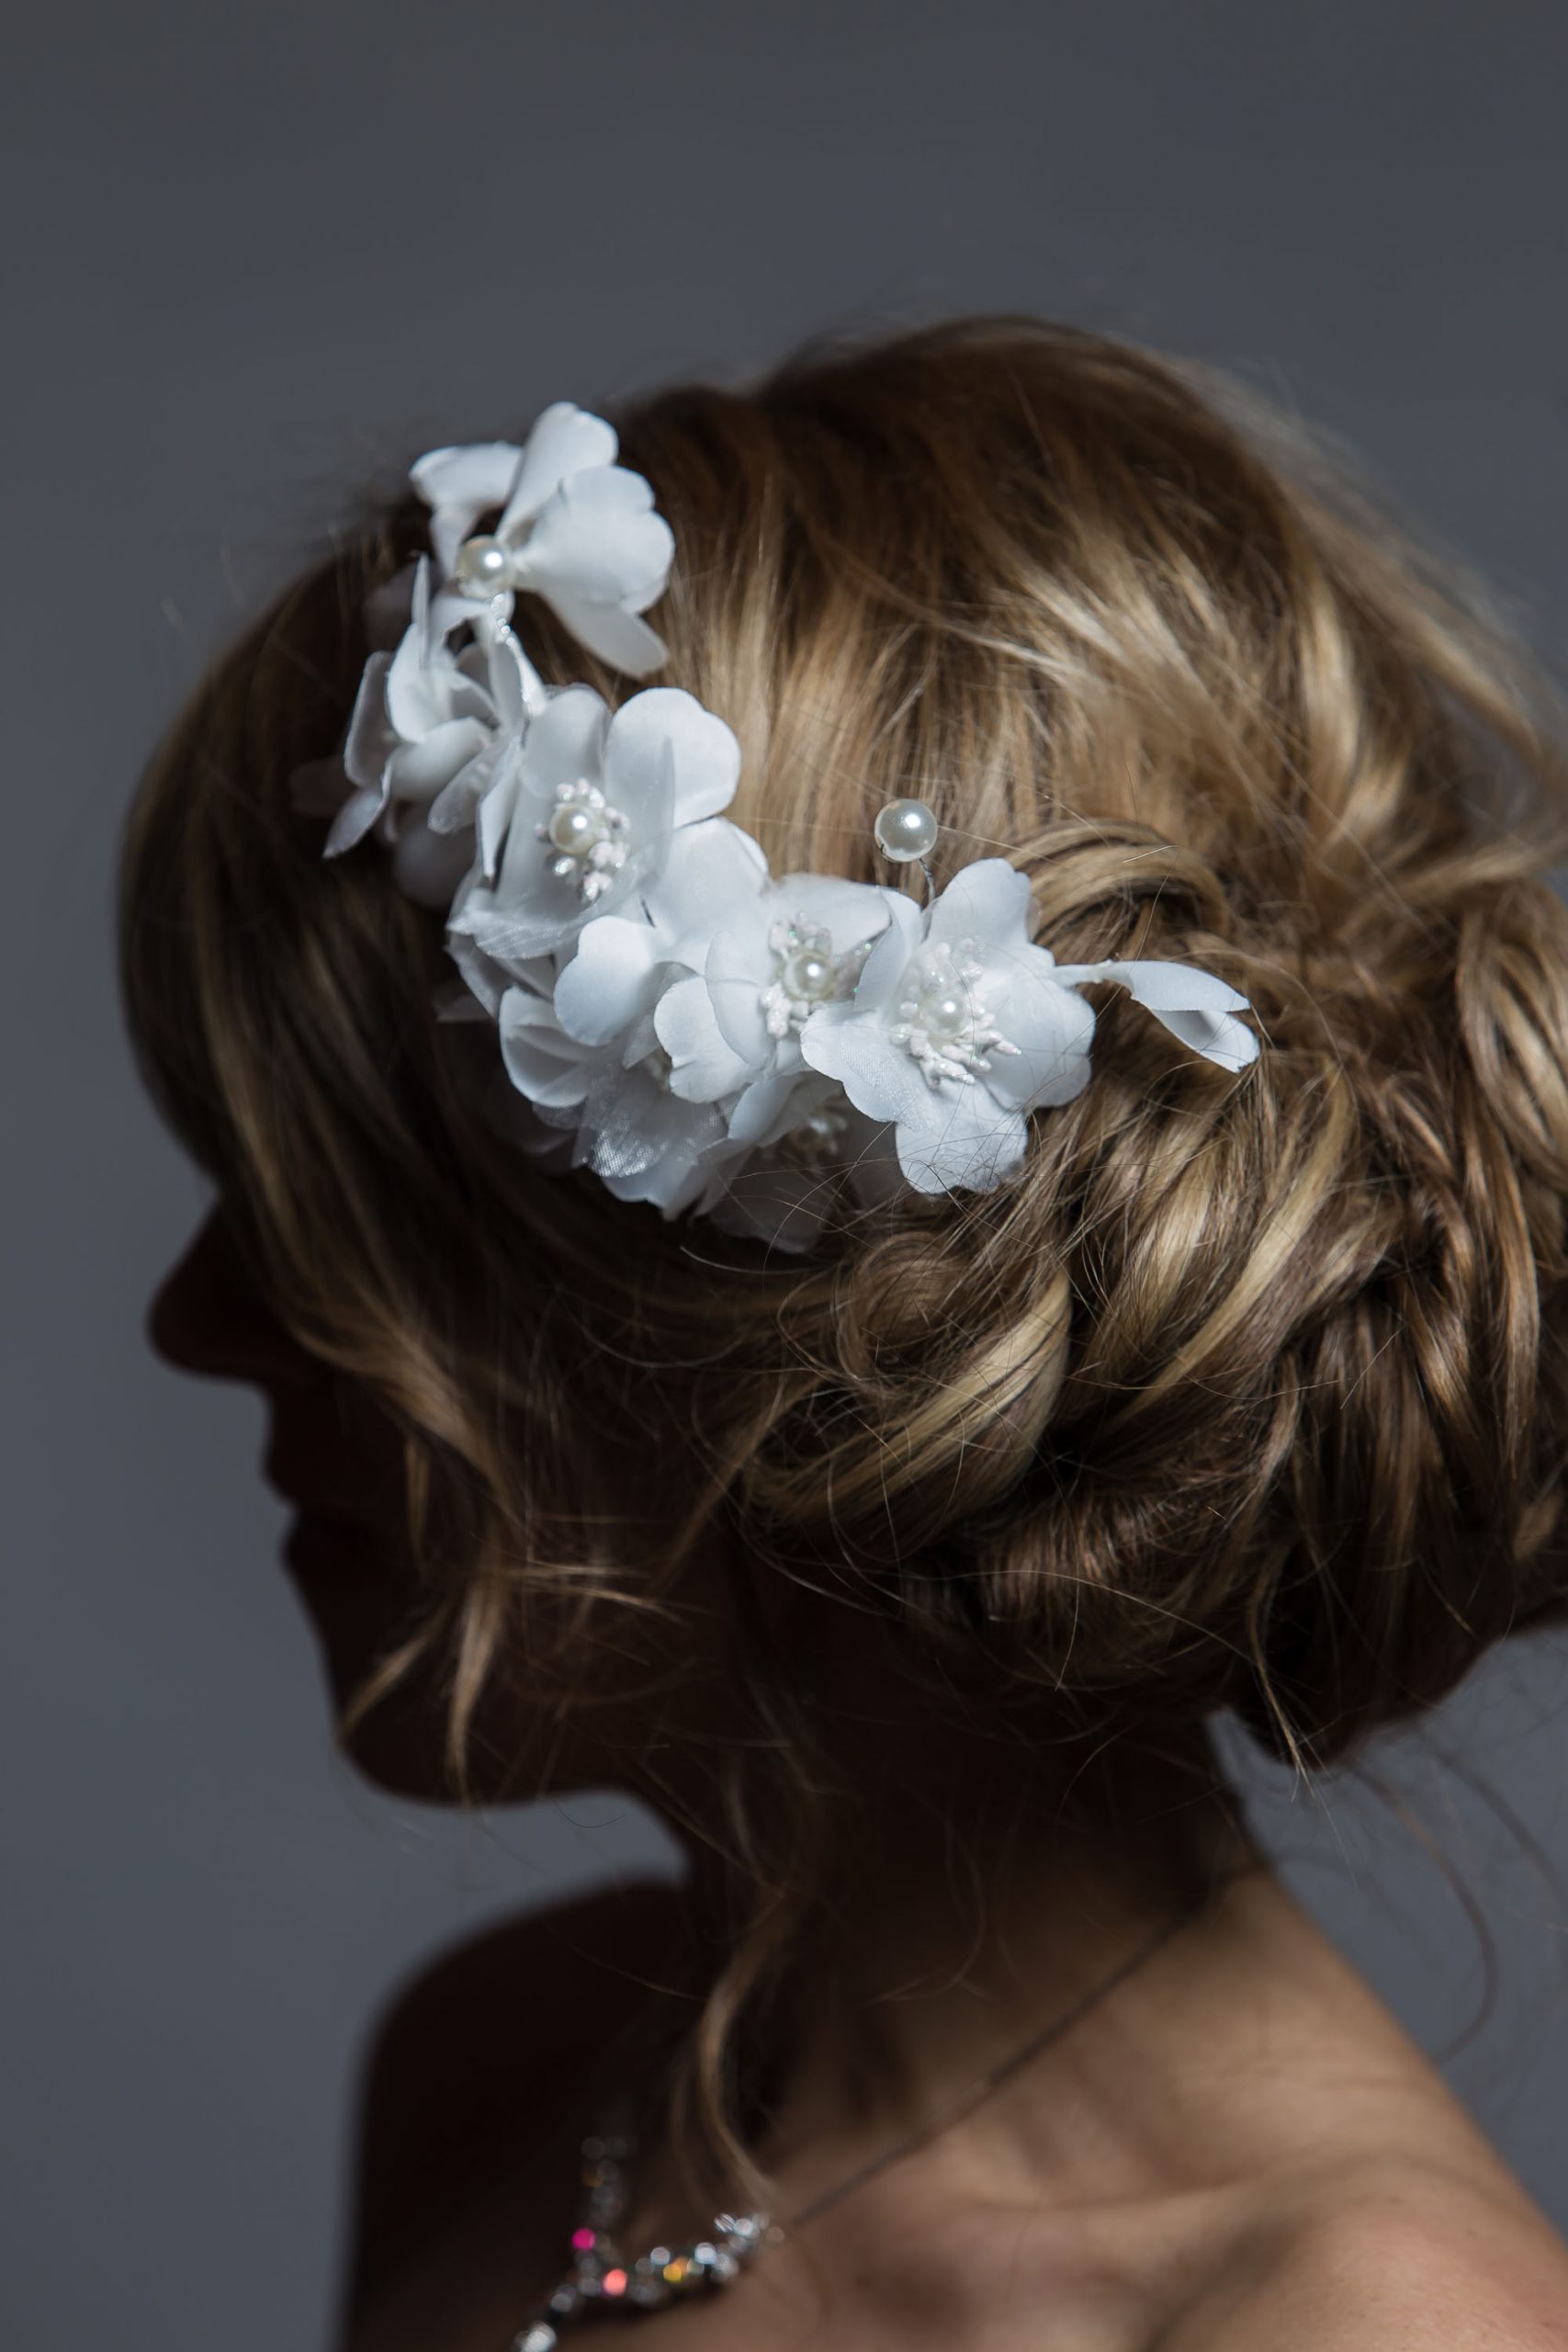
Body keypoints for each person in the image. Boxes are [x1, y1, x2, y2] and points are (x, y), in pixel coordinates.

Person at [125, 319, 1568, 2350]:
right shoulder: (507, 2075)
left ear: (773, 1294)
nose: (195, 1321)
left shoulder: (1354, 2325)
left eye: (336, 1222)